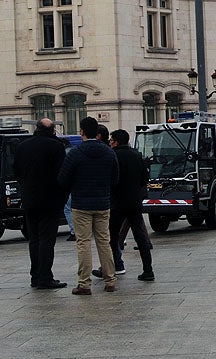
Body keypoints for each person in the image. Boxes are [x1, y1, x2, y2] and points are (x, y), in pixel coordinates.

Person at [58, 116, 119, 295]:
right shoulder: (109, 152)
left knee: (83, 243)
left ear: (82, 132)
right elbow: (115, 179)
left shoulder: (75, 153)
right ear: (98, 133)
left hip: (81, 204)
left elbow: (62, 179)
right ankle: (110, 281)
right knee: (104, 242)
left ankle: (84, 284)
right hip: (103, 203)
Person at [12, 119, 68, 288]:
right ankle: (45, 277)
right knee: (47, 240)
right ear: (52, 130)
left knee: (34, 239)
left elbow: (16, 171)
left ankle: (35, 276)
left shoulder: (23, 146)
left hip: (29, 199)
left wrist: (26, 186)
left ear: (36, 128)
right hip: (50, 200)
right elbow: (62, 174)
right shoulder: (56, 146)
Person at [98, 129, 154, 281]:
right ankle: (148, 270)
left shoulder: (113, 155)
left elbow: (109, 179)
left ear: (115, 141)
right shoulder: (136, 154)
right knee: (140, 236)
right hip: (134, 201)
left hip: (117, 202)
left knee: (111, 237)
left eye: (111, 140)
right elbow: (144, 178)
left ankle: (108, 268)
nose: (110, 142)